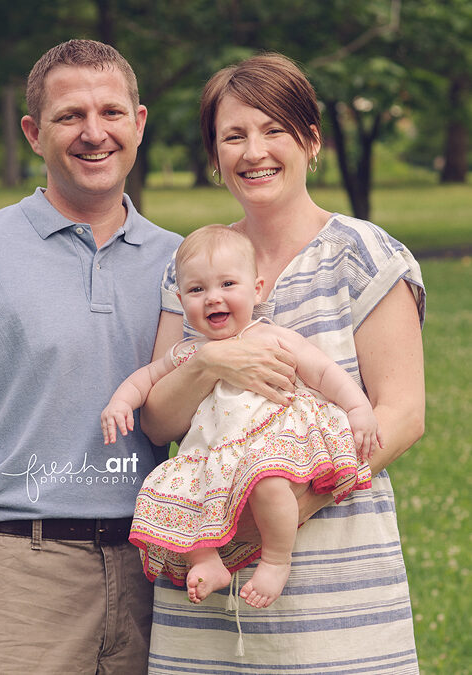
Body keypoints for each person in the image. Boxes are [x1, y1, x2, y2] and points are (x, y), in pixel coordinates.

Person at [140, 54, 426, 672]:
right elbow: (158, 423)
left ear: (312, 141)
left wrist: (283, 516)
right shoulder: (193, 270)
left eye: (275, 129)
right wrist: (214, 361)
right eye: (233, 136)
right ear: (214, 158)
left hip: (333, 578)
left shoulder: (361, 255)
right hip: (204, 579)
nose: (254, 150)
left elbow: (402, 415)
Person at [0, 39, 182, 675]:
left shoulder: (187, 265)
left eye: (111, 112)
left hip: (155, 570)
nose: (93, 133)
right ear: (32, 133)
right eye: (70, 115)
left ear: (139, 123)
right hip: (16, 574)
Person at [102, 224, 381, 609]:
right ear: (182, 299)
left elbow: (322, 372)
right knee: (174, 493)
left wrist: (357, 406)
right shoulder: (187, 352)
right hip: (213, 457)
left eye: (227, 284)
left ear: (257, 289)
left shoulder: (268, 336)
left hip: (266, 443)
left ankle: (277, 559)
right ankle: (206, 560)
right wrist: (120, 402)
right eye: (198, 290)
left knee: (268, 482)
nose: (213, 298)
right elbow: (146, 379)